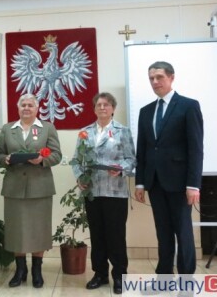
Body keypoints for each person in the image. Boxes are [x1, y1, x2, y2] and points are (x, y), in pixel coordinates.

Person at [134, 61, 203, 276]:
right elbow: (143, 149)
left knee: (183, 233)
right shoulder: (145, 111)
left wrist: (193, 184)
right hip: (155, 182)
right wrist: (140, 182)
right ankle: (163, 277)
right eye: (151, 78)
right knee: (163, 233)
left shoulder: (188, 106)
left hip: (181, 183)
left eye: (159, 77)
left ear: (171, 78)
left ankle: (186, 280)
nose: (155, 82)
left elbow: (196, 148)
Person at [71, 92, 136, 295]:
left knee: (116, 236)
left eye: (106, 104)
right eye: (98, 104)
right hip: (93, 192)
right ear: (94, 109)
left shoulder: (122, 131)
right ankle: (100, 274)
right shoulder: (85, 132)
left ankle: (119, 276)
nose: (102, 107)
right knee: (97, 236)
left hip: (115, 193)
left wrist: (120, 167)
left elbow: (131, 159)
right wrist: (80, 177)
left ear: (113, 109)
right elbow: (76, 160)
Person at [0, 93, 62, 289]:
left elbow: (57, 154)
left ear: (37, 108)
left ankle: (36, 270)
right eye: (23, 105)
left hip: (40, 187)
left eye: (30, 105)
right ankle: (20, 270)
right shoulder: (8, 129)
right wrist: (6, 159)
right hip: (14, 187)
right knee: (16, 230)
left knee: (38, 230)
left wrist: (42, 160)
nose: (26, 108)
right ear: (18, 108)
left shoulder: (47, 128)